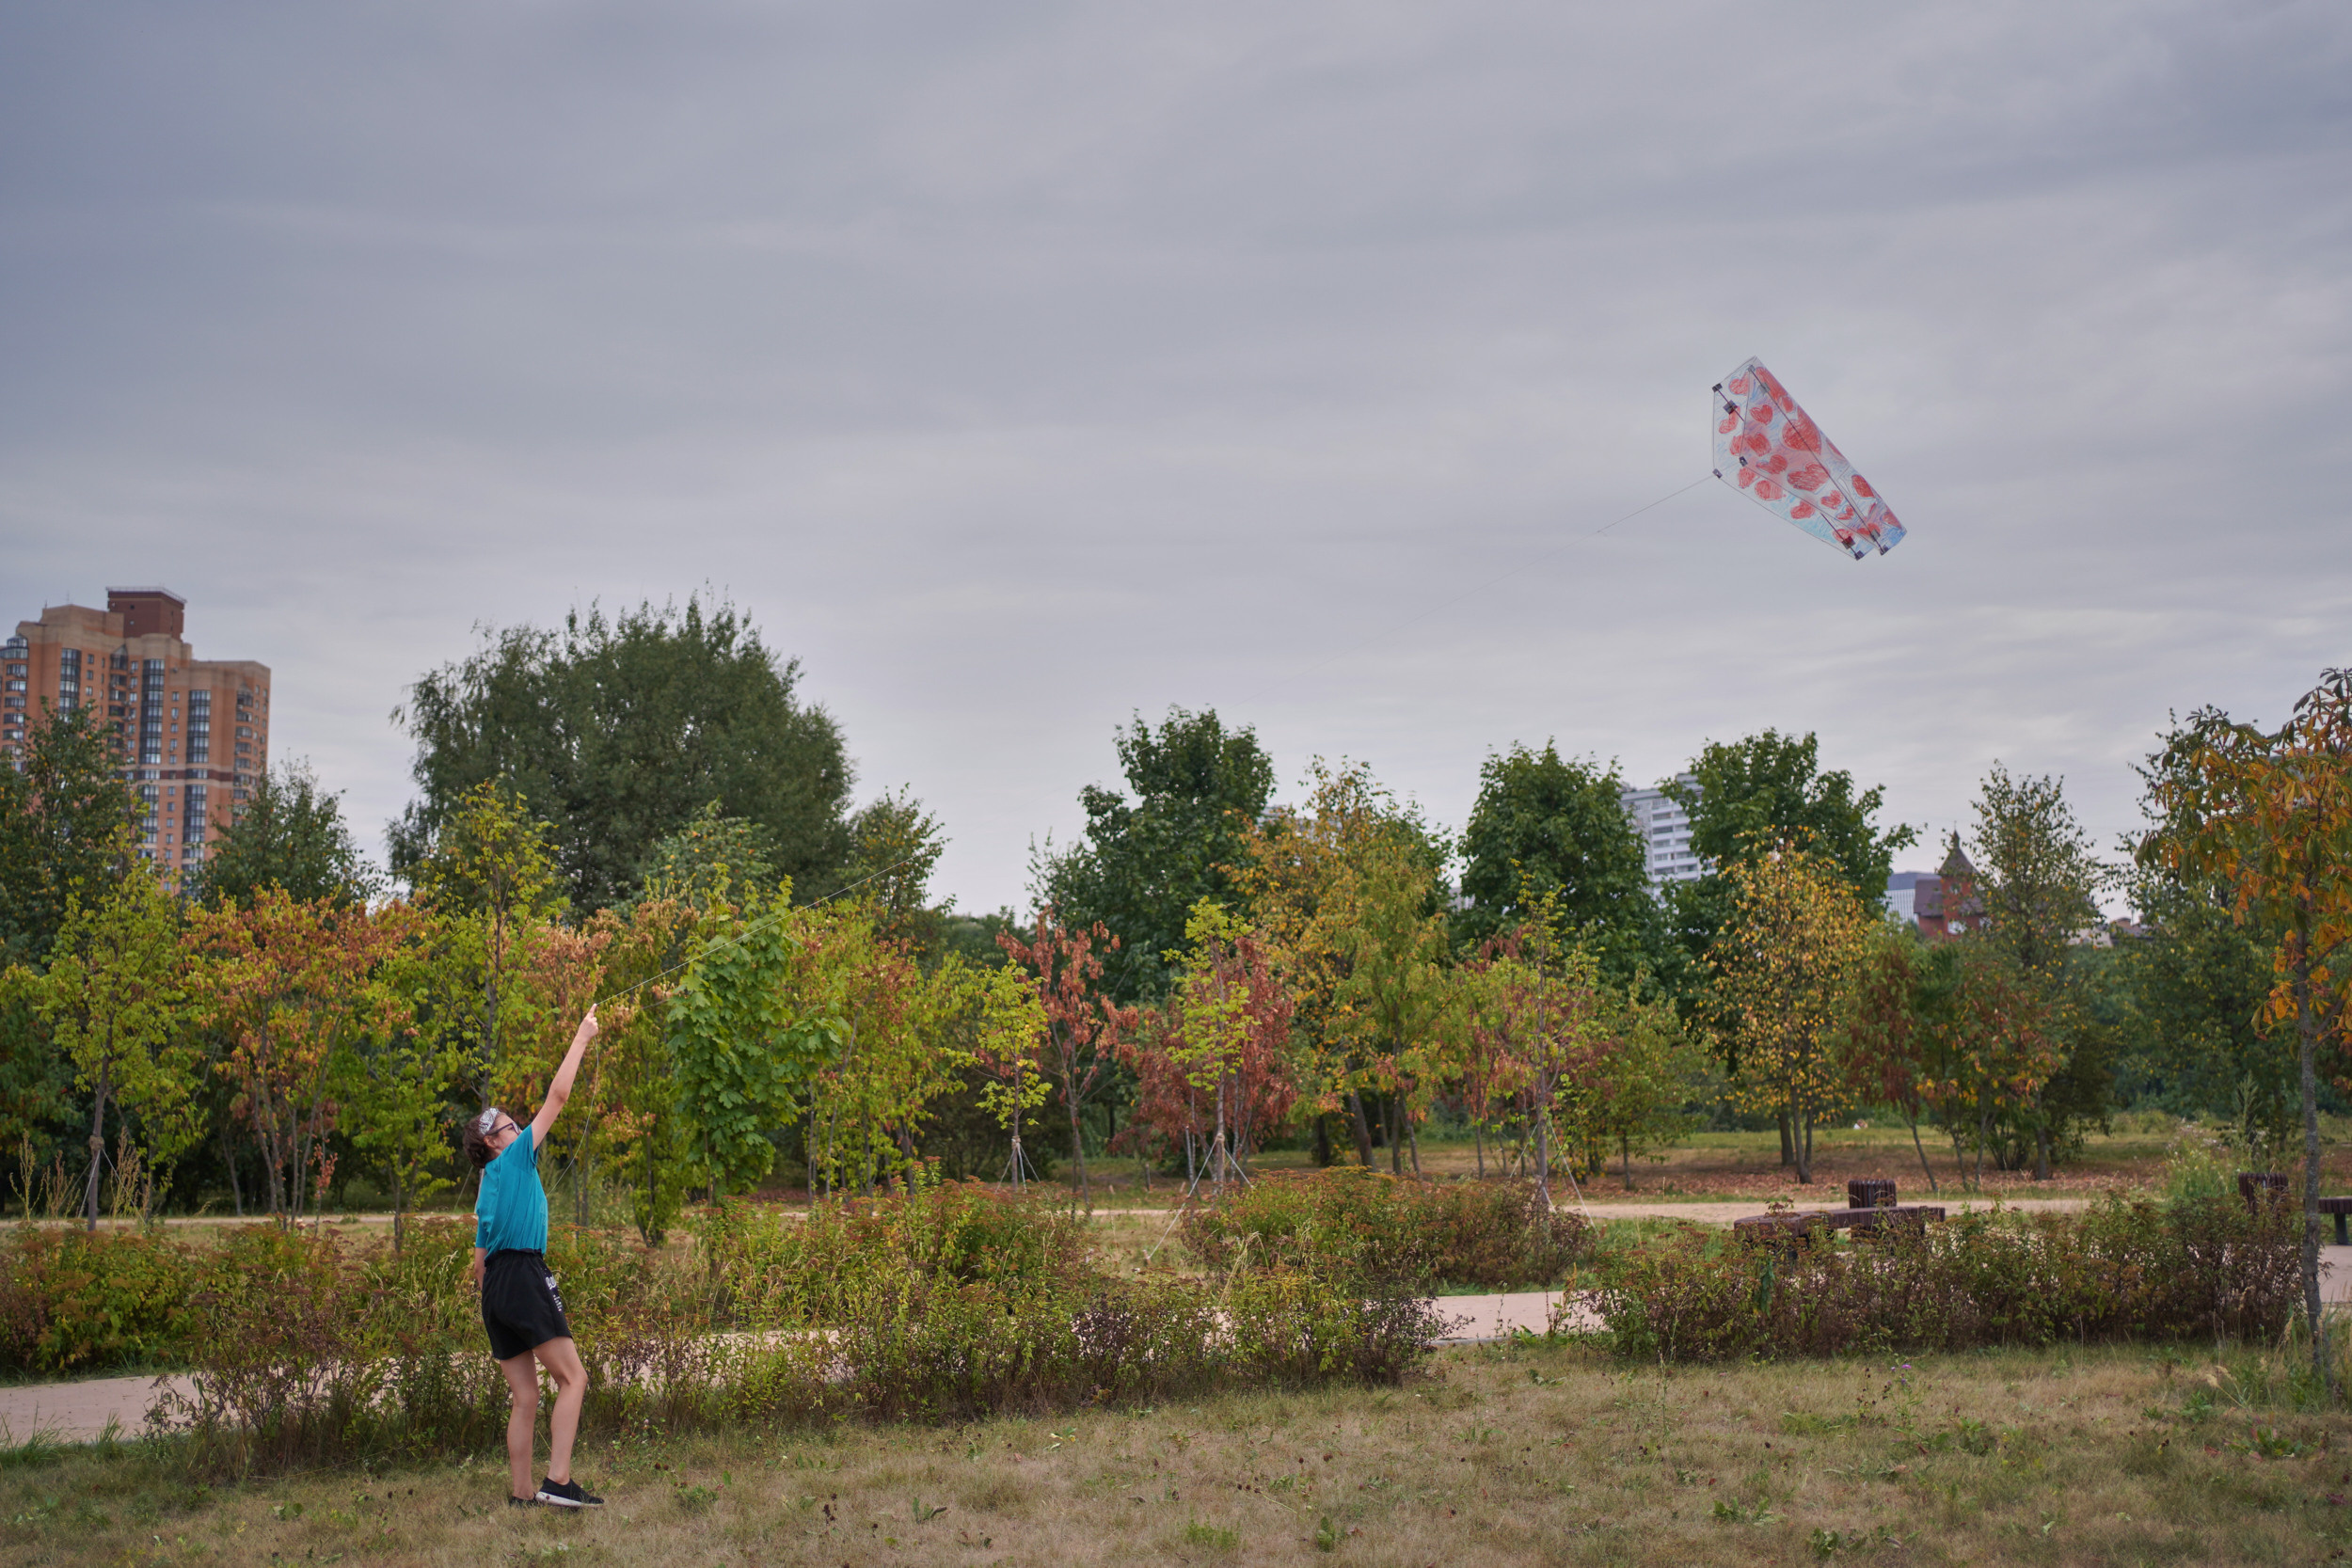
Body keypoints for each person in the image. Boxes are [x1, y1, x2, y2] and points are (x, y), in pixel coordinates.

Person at [462, 1006, 603, 1509]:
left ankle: (522, 1494)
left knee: (525, 1396)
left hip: (495, 1290)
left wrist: (499, 1296)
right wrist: (581, 1037)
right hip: (522, 1273)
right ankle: (558, 1482)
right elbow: (558, 1097)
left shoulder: (485, 1184)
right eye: (511, 1125)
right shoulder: (515, 1156)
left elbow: (479, 1262)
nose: (521, 1128)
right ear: (493, 1142)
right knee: (573, 1377)